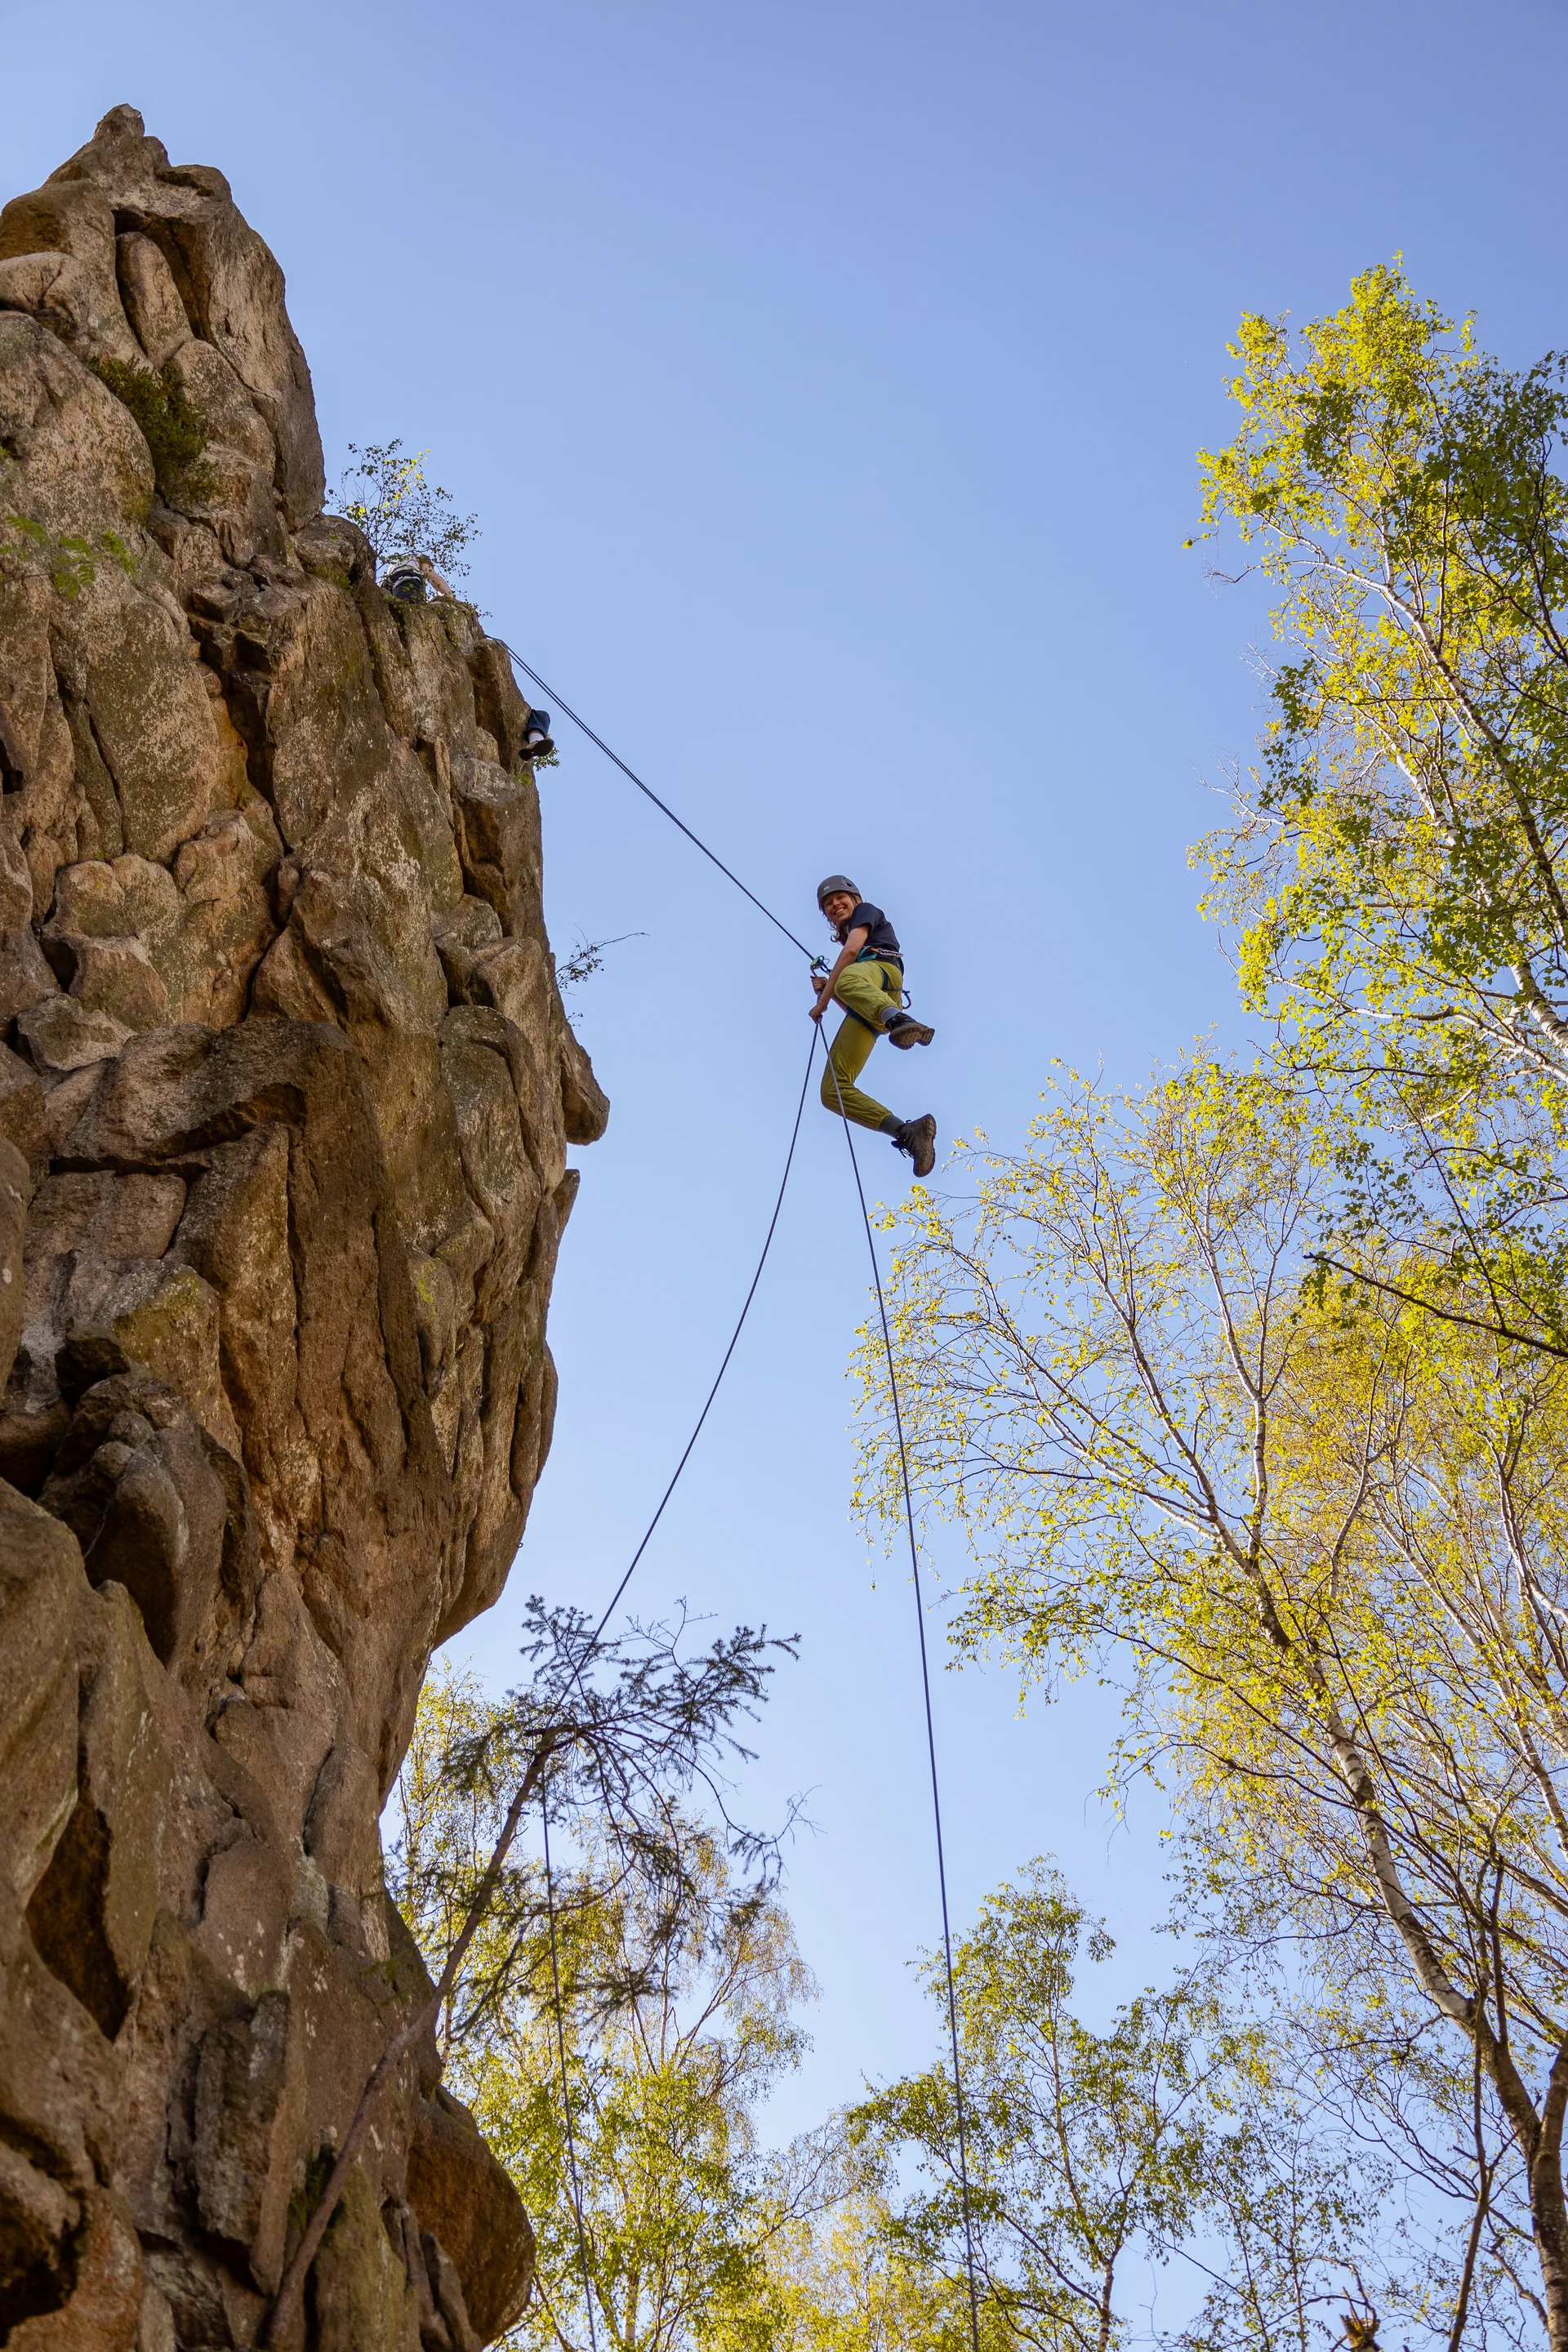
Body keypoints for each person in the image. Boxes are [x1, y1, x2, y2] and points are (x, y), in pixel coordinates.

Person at [810, 875, 938, 1177]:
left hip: (884, 974)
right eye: (827, 904)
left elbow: (851, 953)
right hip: (875, 1009)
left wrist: (823, 1002)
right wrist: (829, 990)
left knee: (846, 977)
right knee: (832, 1092)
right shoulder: (850, 971)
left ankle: (902, 1020)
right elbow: (853, 1001)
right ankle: (908, 1132)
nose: (834, 905)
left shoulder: (865, 911)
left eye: (839, 897)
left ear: (854, 898)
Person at [382, 551, 454, 605]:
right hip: (408, 582)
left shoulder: (393, 565)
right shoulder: (420, 557)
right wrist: (450, 598)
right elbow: (434, 578)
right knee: (411, 611)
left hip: (389, 588)